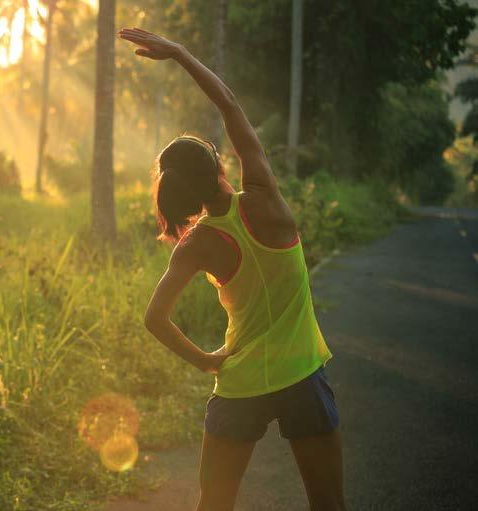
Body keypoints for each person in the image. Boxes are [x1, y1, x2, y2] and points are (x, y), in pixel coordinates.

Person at [118, 28, 346, 511]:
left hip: (240, 383)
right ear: (219, 162)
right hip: (302, 375)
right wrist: (180, 54)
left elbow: (154, 318)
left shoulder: (195, 246)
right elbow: (230, 106)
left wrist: (204, 359)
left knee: (214, 505)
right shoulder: (264, 197)